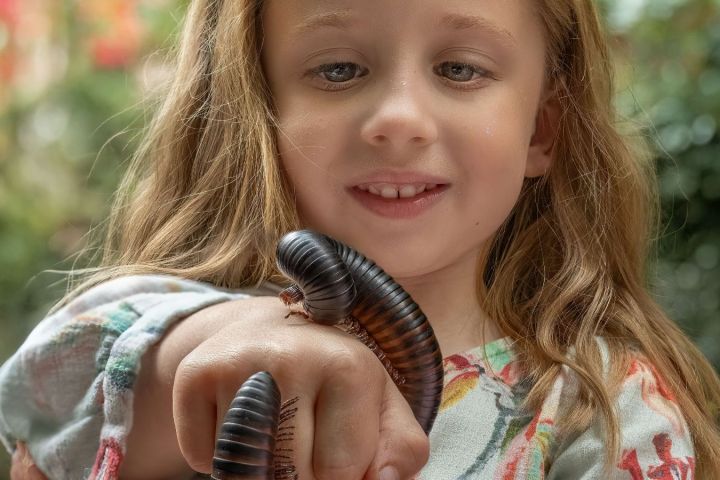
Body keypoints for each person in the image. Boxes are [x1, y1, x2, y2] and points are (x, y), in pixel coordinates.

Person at [2, 0, 720, 478]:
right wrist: (218, 342)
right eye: (338, 69)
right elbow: (38, 400)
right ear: (258, 108)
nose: (399, 118)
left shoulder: (603, 407)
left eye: (459, 69)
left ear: (543, 129)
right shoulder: (156, 321)